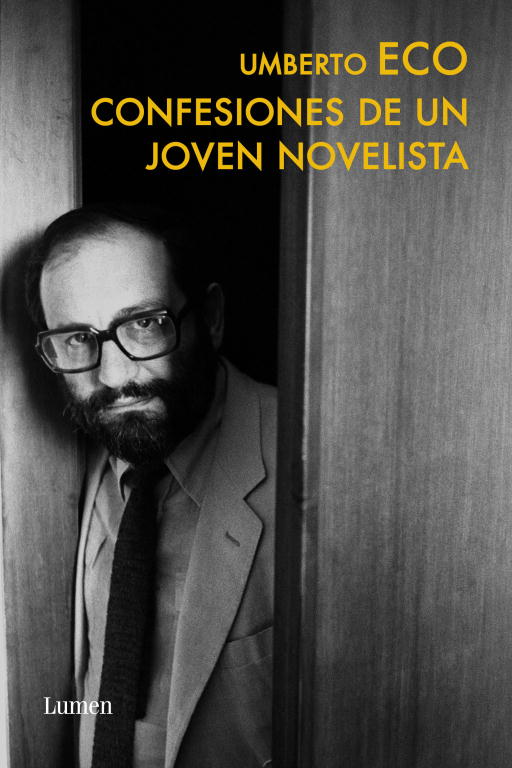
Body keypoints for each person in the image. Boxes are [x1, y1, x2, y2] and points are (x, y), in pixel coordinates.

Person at [25, 204, 276, 768]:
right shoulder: (76, 470)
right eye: (77, 339)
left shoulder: (315, 467)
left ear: (210, 318)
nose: (113, 377)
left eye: (144, 324)